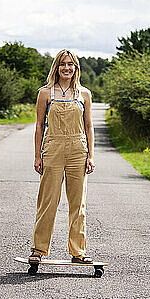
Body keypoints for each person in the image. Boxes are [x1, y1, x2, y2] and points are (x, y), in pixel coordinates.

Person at [29, 49, 95, 264]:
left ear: (76, 68)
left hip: (78, 149)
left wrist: (90, 155)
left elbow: (88, 126)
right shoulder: (46, 93)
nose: (67, 68)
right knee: (48, 201)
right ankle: (39, 249)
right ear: (56, 67)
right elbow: (39, 126)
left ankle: (78, 251)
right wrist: (38, 156)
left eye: (71, 64)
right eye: (62, 64)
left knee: (78, 203)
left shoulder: (84, 94)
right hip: (53, 148)